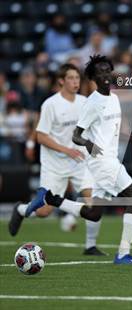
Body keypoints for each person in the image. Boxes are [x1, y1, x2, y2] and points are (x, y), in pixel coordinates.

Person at [24, 55, 132, 264]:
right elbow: (76, 135)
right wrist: (89, 145)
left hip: (108, 160)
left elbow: (111, 131)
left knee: (93, 213)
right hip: (102, 161)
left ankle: (51, 199)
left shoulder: (114, 98)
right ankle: (123, 254)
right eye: (100, 72)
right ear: (92, 78)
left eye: (107, 69)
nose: (105, 74)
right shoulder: (92, 103)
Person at [8, 64, 105, 255]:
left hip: (79, 161)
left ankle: (90, 246)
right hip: (54, 164)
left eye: (77, 78)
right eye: (71, 78)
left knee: (94, 202)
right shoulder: (50, 104)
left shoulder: (84, 102)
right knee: (44, 212)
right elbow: (41, 136)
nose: (75, 82)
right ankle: (21, 210)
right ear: (61, 81)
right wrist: (65, 150)